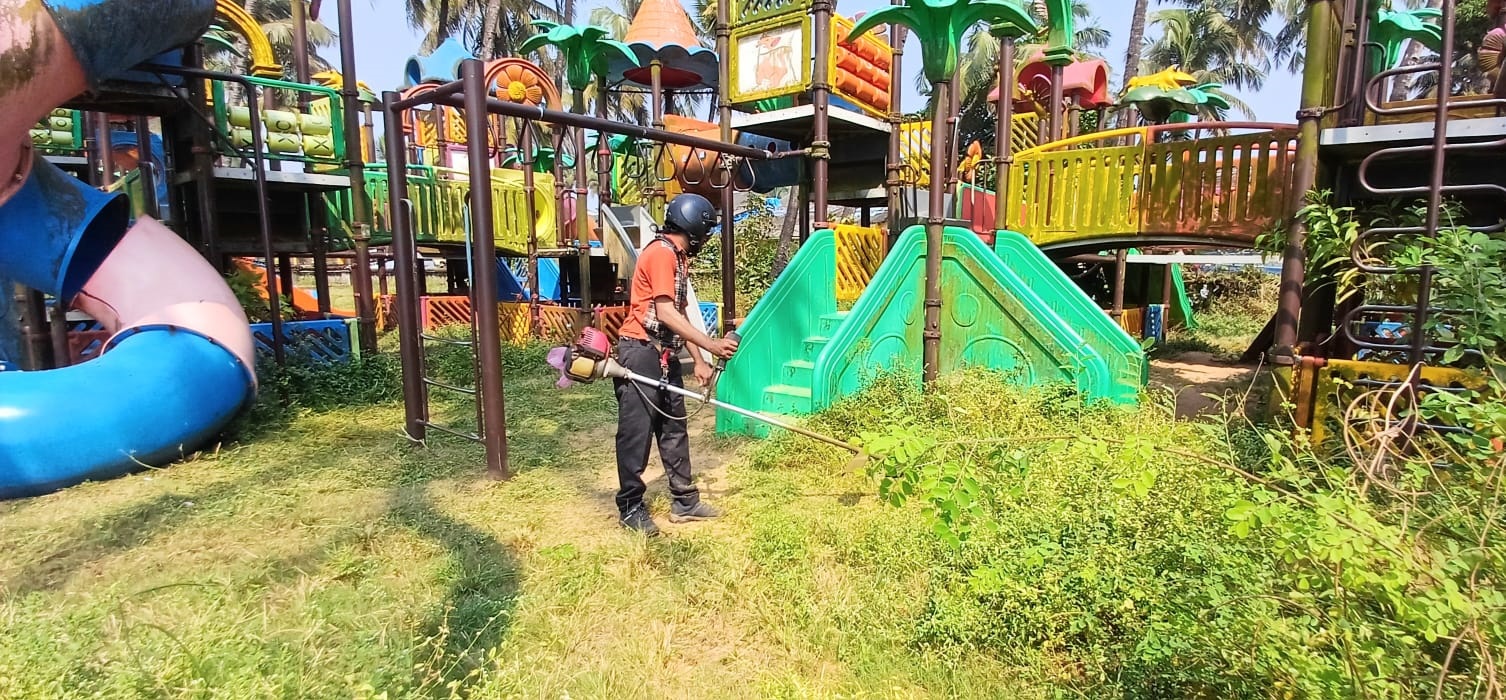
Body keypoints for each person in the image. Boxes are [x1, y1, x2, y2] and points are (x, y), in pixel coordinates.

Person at [613, 193, 739, 536]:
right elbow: (665, 313)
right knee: (636, 433)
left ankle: (684, 502)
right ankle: (630, 506)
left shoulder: (677, 257)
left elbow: (678, 311)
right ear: (695, 228)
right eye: (707, 232)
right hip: (639, 351)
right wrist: (711, 343)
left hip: (664, 354)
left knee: (673, 428)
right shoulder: (659, 254)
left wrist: (698, 359)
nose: (707, 239)